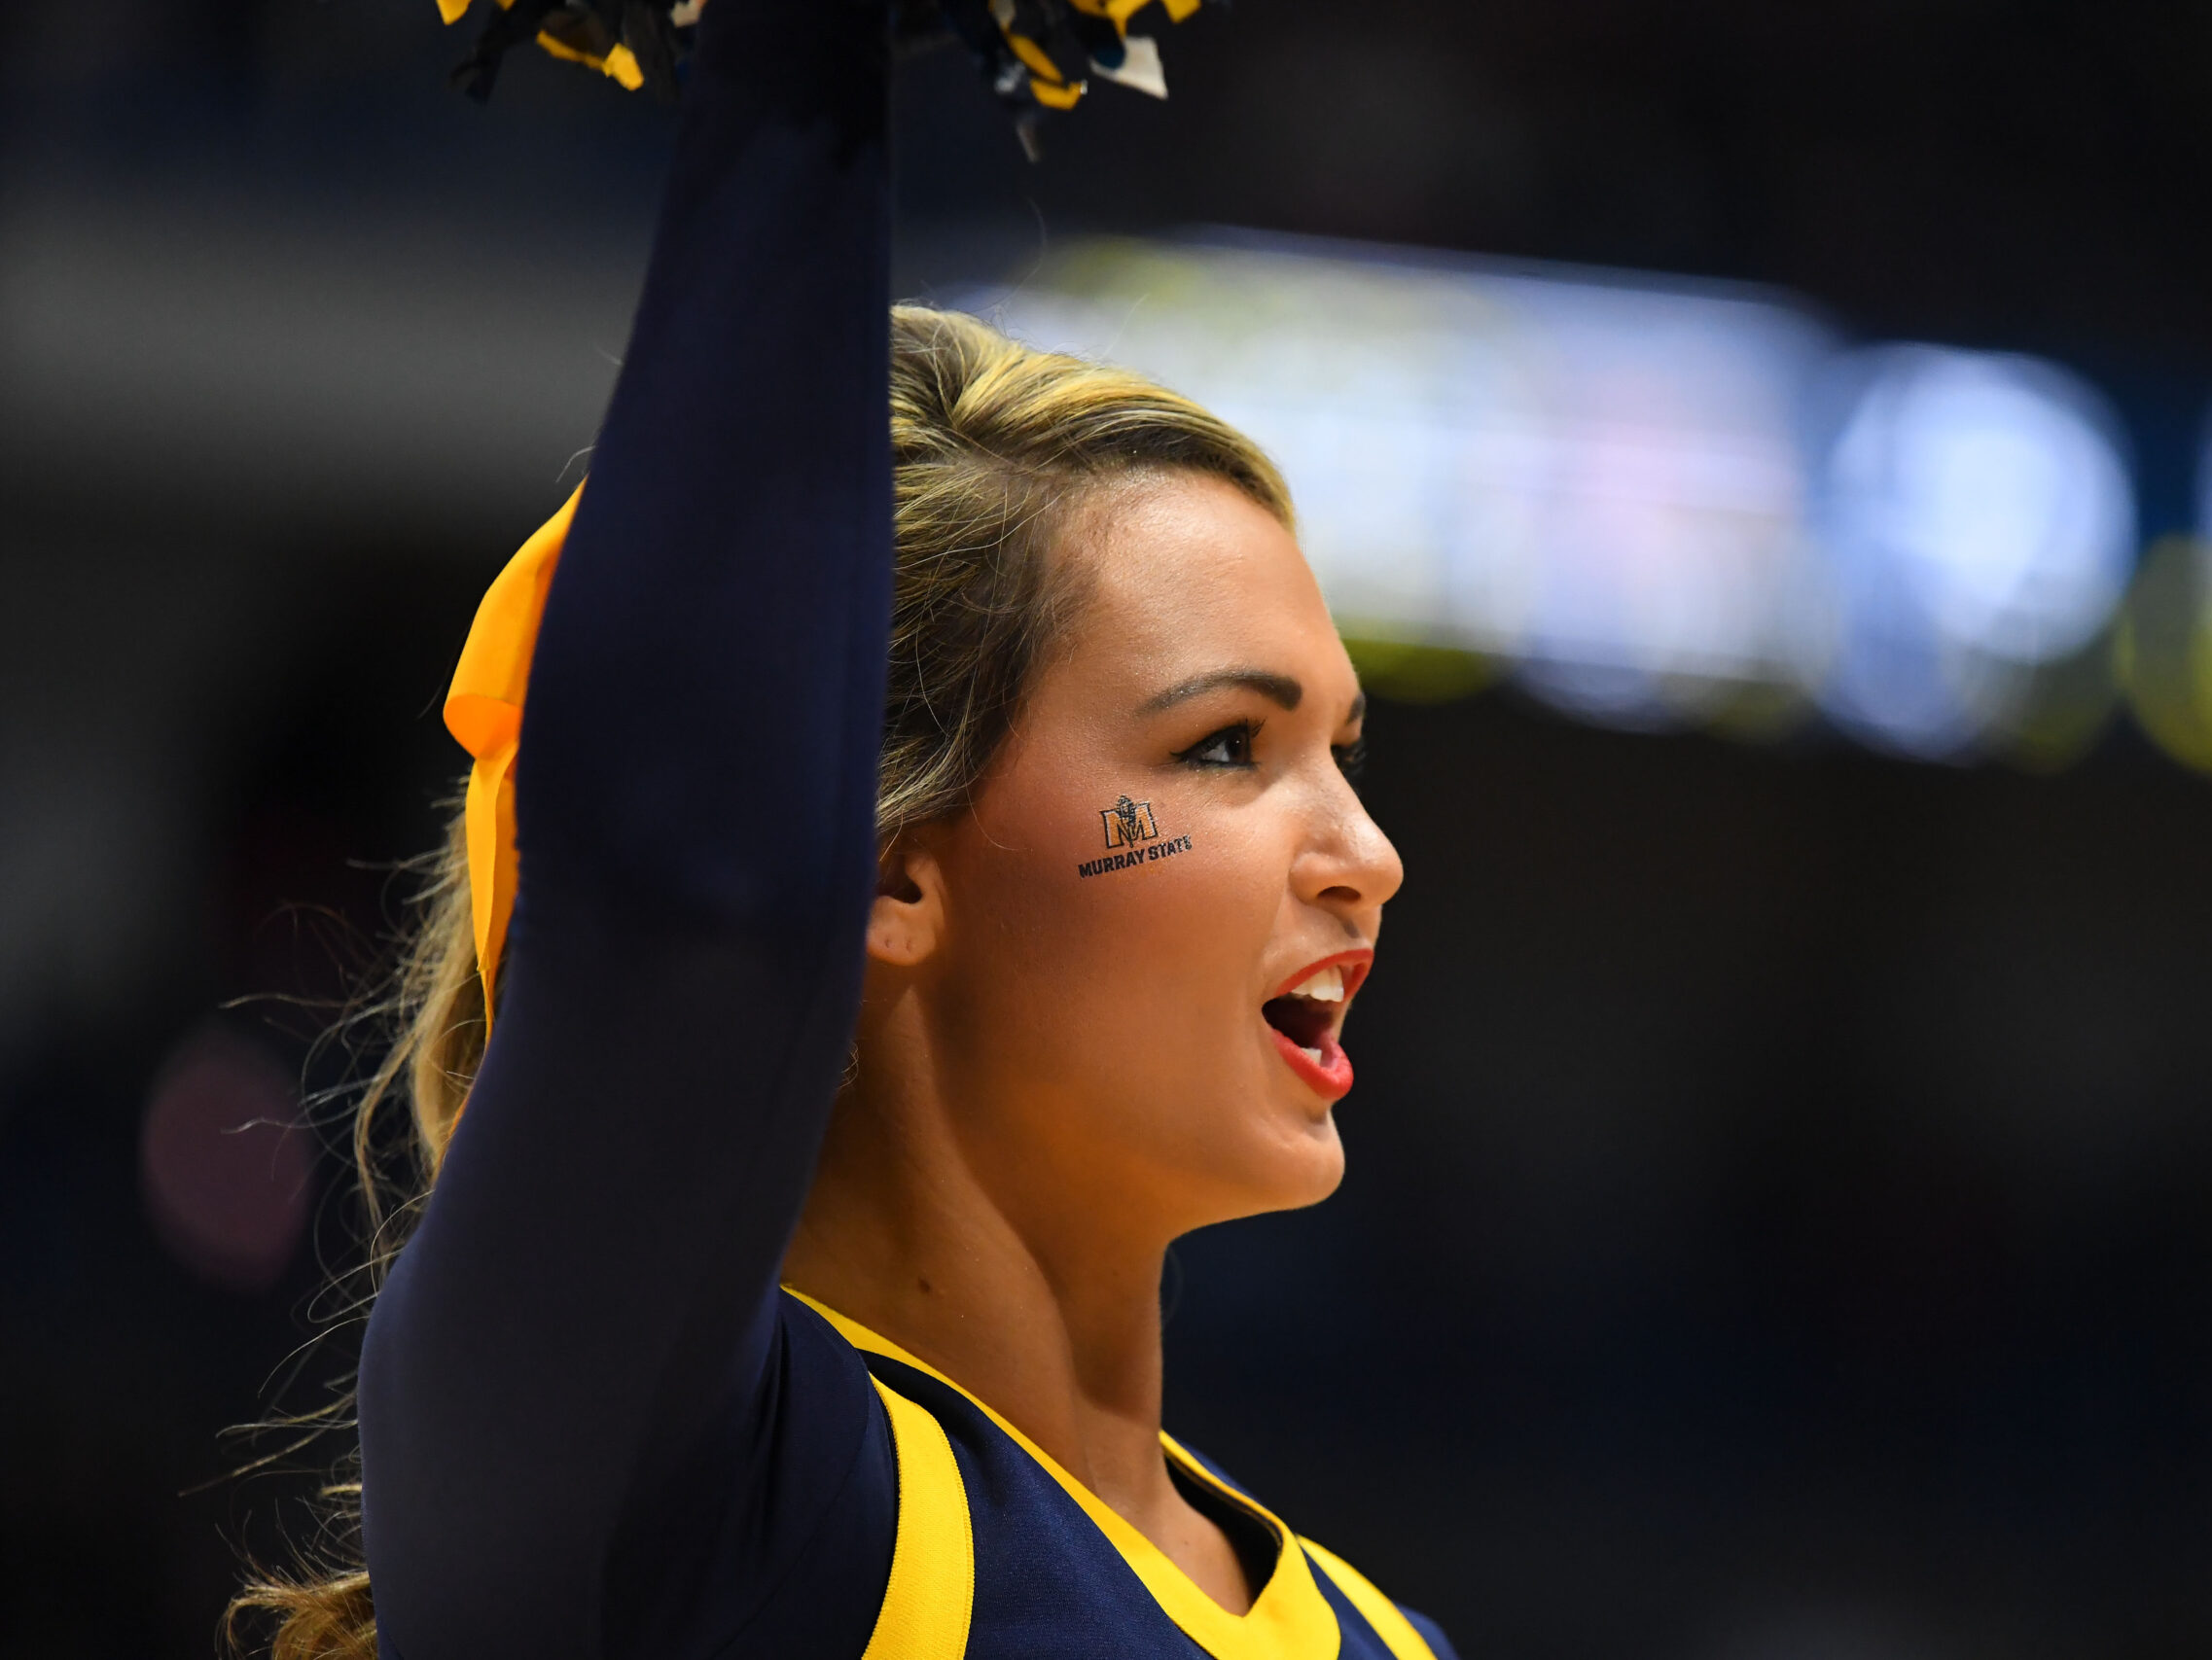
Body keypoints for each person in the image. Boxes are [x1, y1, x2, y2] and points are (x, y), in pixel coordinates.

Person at [229, 0, 1445, 1655]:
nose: (1366, 855)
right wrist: (794, 61)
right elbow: (690, 898)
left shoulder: (1389, 1637)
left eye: (1341, 752)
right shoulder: (717, 1520)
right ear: (879, 864)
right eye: (1226, 747)